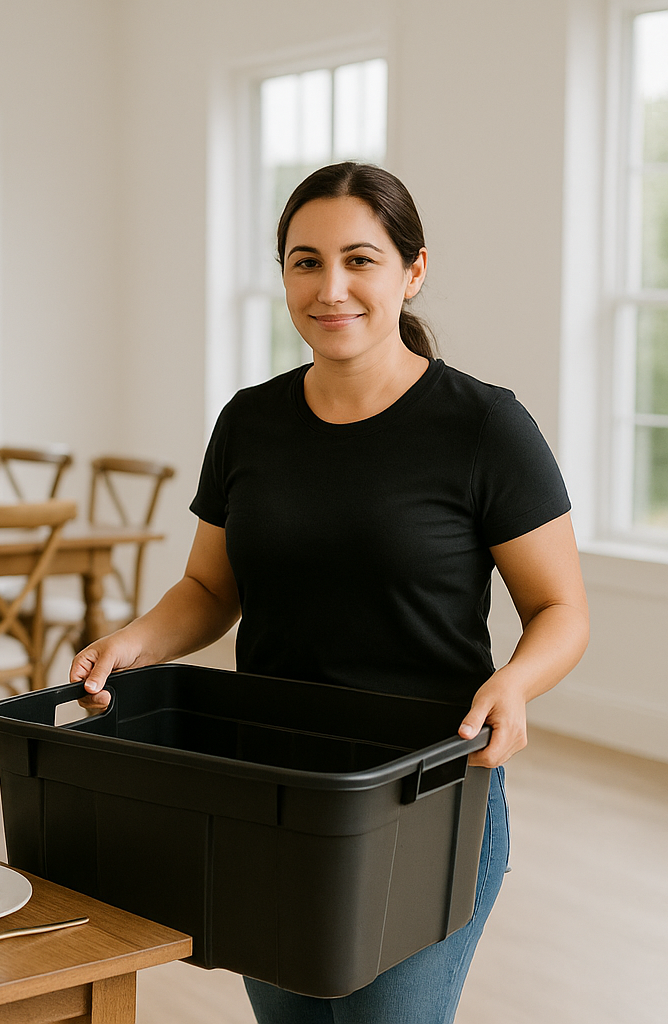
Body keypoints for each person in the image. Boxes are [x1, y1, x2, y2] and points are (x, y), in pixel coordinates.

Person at [71, 163, 589, 1023]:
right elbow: (209, 586)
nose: (331, 287)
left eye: (360, 259)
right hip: (267, 793)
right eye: (305, 262)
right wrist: (133, 643)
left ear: (412, 270)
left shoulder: (484, 426)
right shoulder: (248, 421)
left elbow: (561, 610)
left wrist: (515, 683)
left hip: (425, 798)